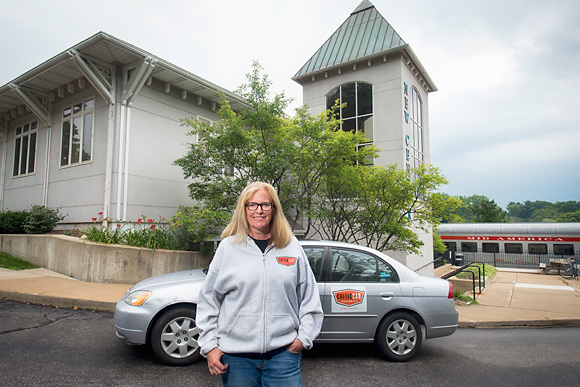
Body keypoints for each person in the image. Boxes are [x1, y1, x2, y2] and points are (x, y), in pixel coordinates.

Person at [197, 182, 323, 386]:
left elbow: (309, 298)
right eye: (252, 205)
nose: (259, 210)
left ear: (274, 210)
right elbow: (208, 301)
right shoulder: (228, 249)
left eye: (265, 205)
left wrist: (303, 339)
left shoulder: (291, 247)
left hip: (283, 356)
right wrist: (210, 346)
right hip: (237, 359)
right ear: (244, 209)